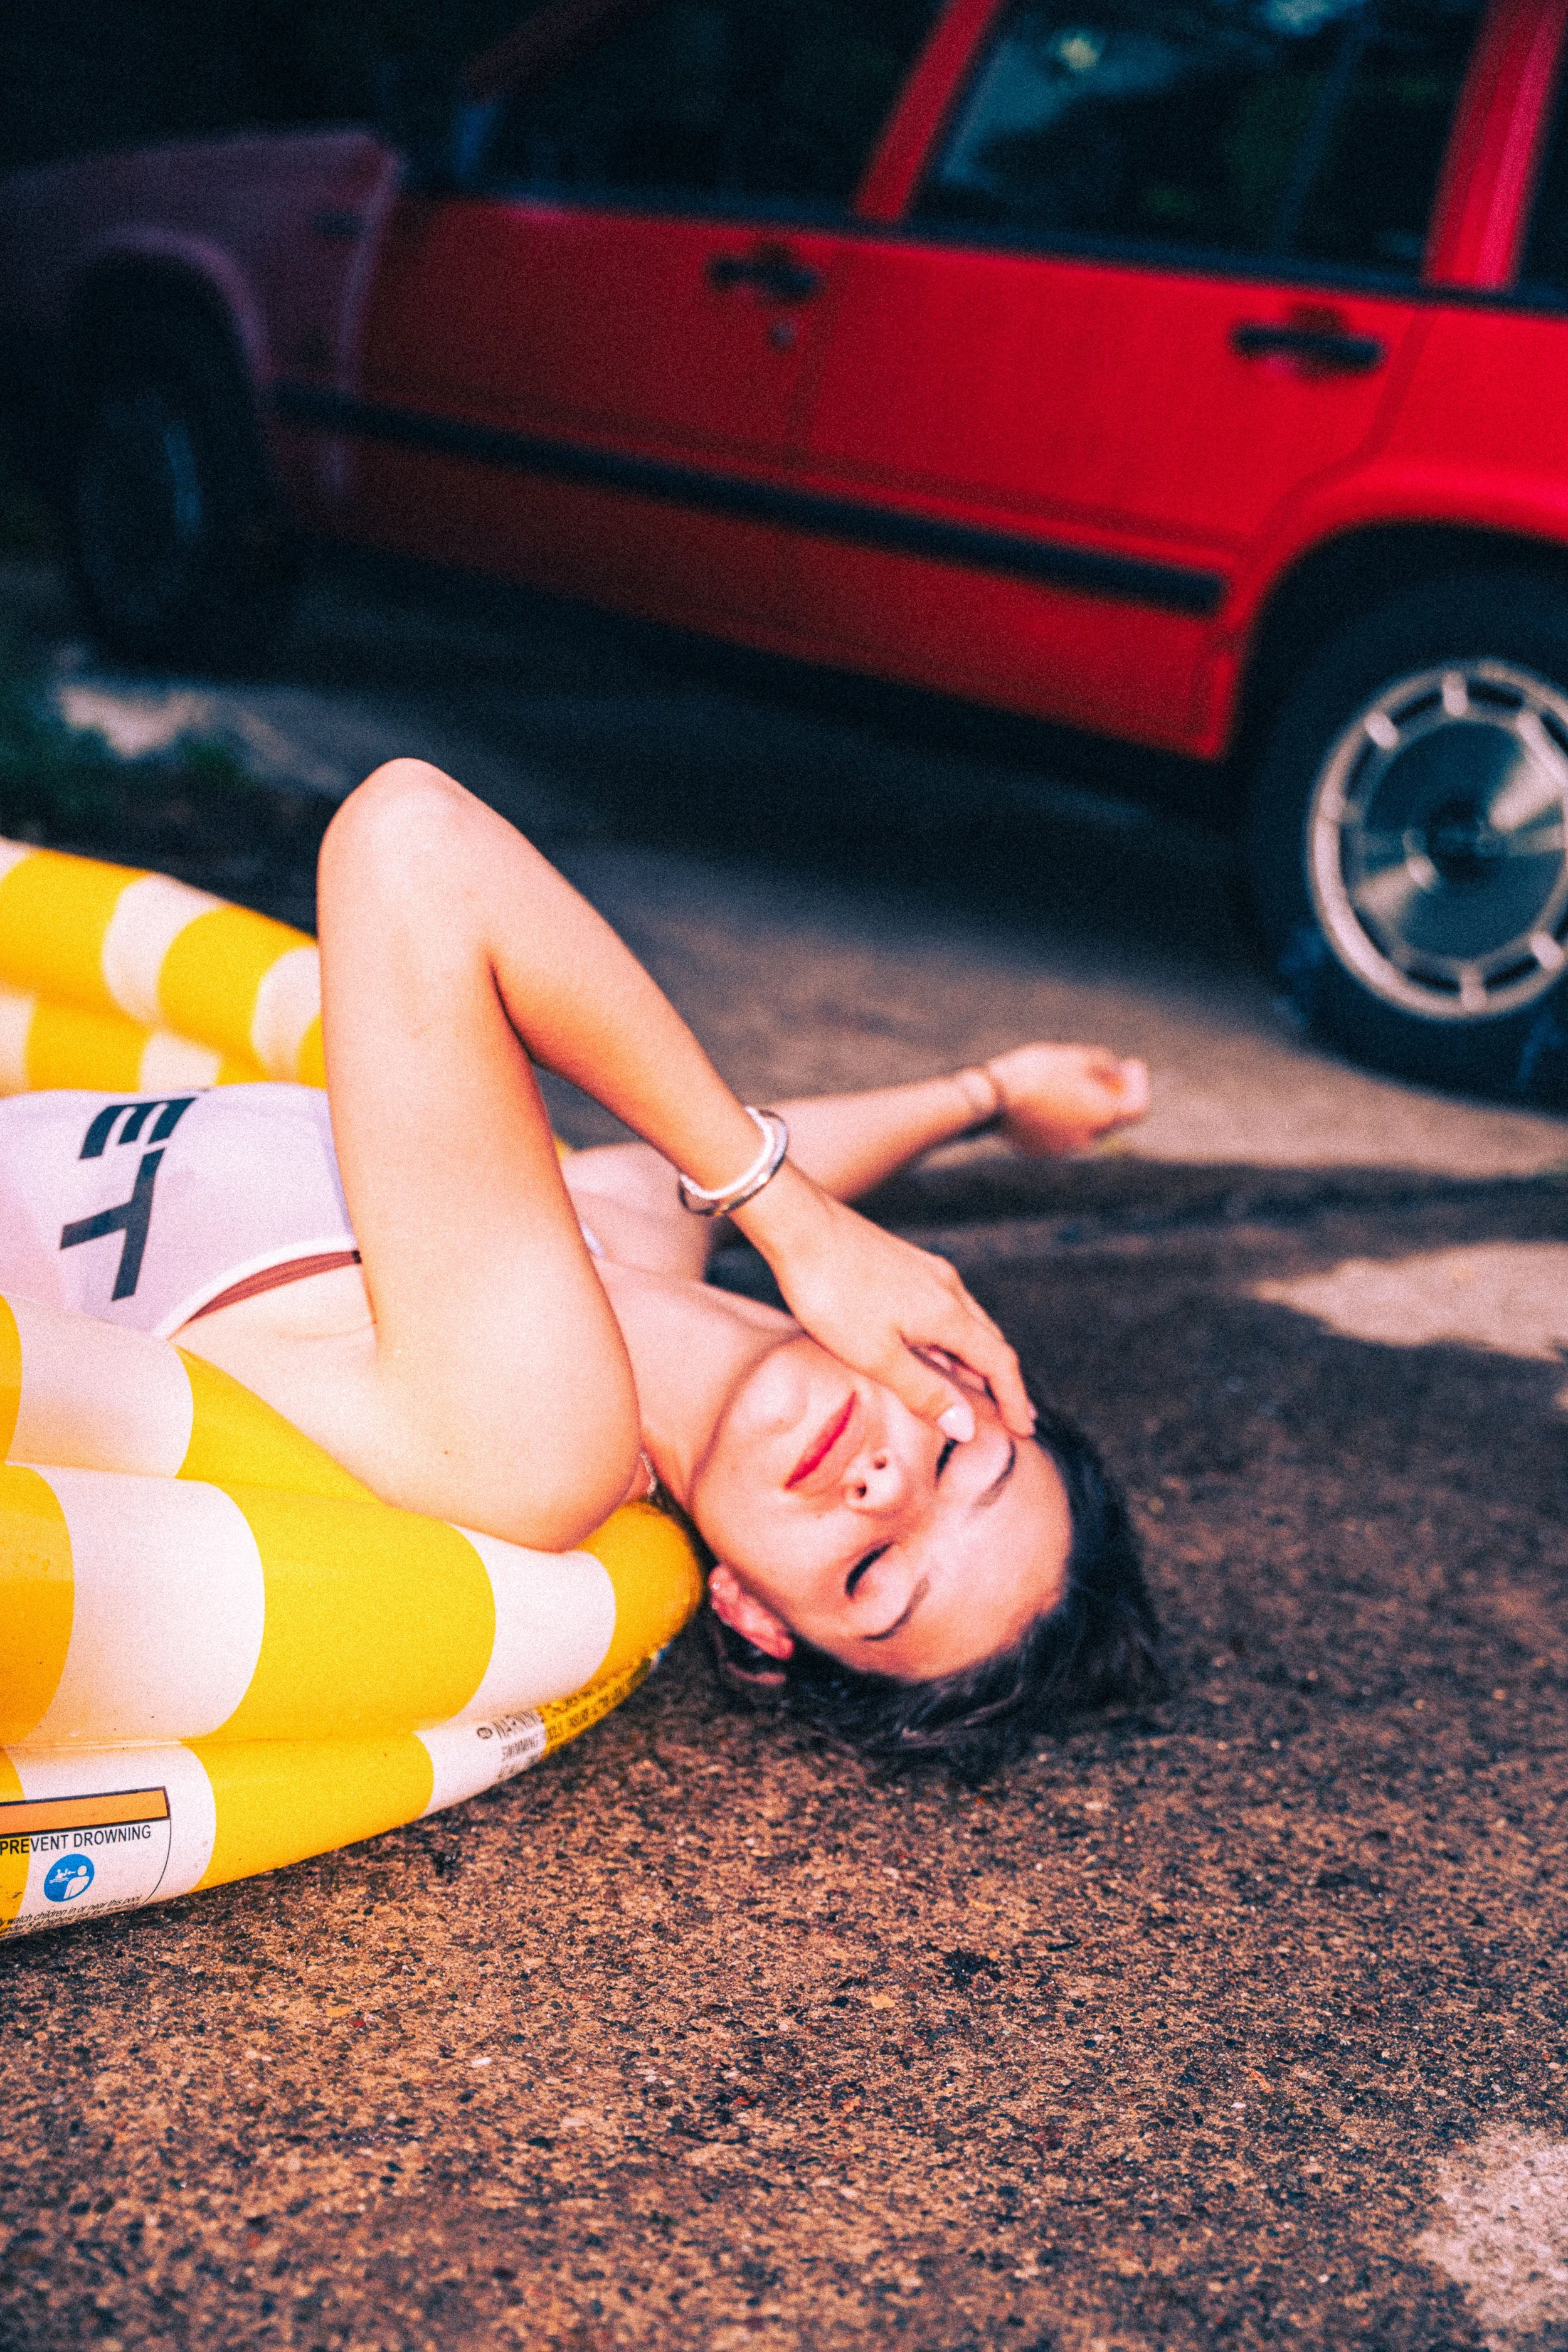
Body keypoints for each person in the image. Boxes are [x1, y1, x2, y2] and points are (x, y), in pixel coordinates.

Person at [1, 761, 1164, 1769]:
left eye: (872, 1577)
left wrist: (798, 1227)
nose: (881, 1491)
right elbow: (726, 1166)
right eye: (960, 1457)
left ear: (755, 1616)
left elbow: (412, 841)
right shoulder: (619, 1233)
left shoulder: (542, 1442)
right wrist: (993, 1096)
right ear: (968, 1364)